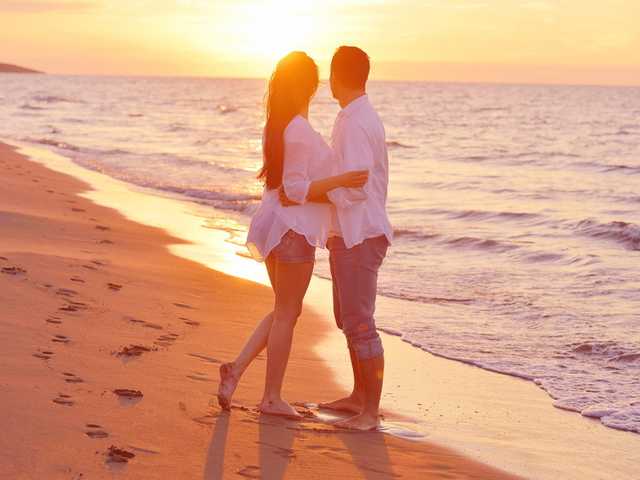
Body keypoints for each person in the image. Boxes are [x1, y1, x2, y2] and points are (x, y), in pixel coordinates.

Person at [216, 51, 369, 419]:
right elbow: (295, 189)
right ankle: (271, 397)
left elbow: (285, 187)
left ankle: (235, 370)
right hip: (291, 230)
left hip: (275, 225)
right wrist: (342, 180)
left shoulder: (278, 125)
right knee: (287, 312)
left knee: (284, 308)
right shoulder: (298, 130)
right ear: (308, 86)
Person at [281, 46, 393, 431]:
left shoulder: (355, 122)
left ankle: (370, 412)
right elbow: (350, 180)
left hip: (360, 233)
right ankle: (359, 397)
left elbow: (355, 186)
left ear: (337, 76)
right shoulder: (353, 116)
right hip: (348, 232)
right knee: (347, 319)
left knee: (360, 322)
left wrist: (309, 193)